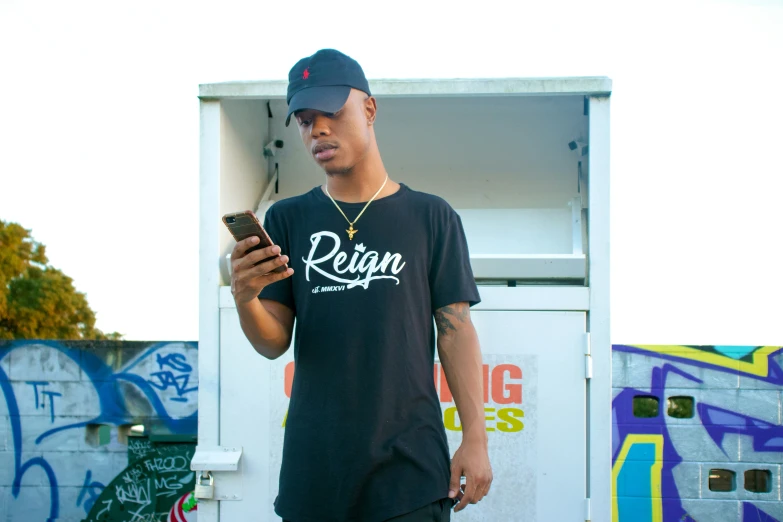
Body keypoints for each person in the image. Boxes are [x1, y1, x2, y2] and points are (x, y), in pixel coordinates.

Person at [229, 49, 492, 522]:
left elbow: (455, 330)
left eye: (331, 112)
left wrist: (475, 436)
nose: (318, 130)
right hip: (315, 477)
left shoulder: (431, 217)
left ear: (369, 110)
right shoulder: (287, 219)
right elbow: (273, 343)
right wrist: (245, 298)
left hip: (411, 476)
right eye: (305, 120)